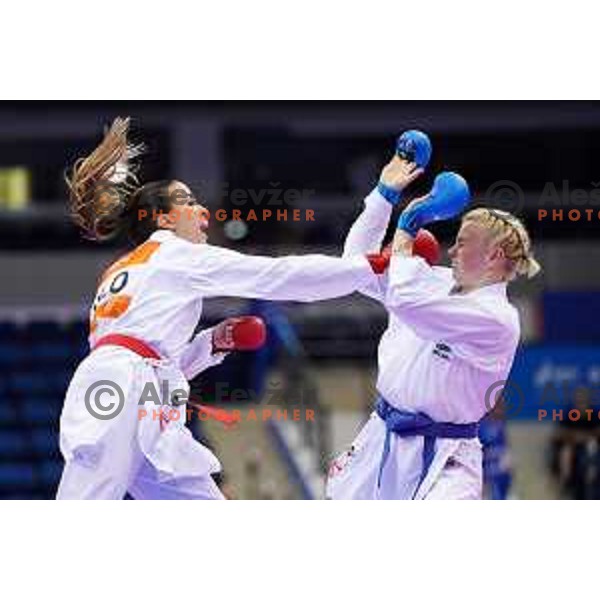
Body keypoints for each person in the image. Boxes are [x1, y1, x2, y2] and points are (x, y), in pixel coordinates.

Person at [56, 117, 387, 500]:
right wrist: (360, 269)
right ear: (163, 218)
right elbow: (277, 275)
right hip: (123, 386)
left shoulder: (121, 269)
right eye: (189, 201)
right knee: (86, 498)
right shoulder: (175, 254)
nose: (202, 211)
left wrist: (213, 342)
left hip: (133, 387)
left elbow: (156, 360)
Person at [326, 131, 541, 499]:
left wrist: (409, 222)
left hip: (446, 457)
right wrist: (384, 195)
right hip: (380, 435)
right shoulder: (432, 280)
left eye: (462, 242)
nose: (451, 249)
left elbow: (408, 301)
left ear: (493, 256)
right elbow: (354, 266)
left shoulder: (496, 319)